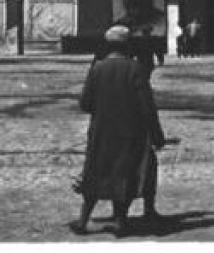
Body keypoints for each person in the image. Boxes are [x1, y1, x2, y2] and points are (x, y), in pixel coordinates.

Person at [71, 25, 166, 236]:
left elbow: (86, 103)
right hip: (129, 131)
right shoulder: (135, 69)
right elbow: (147, 106)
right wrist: (157, 135)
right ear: (127, 45)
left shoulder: (97, 69)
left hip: (101, 131)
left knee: (96, 172)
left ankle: (83, 220)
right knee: (125, 173)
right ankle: (121, 221)